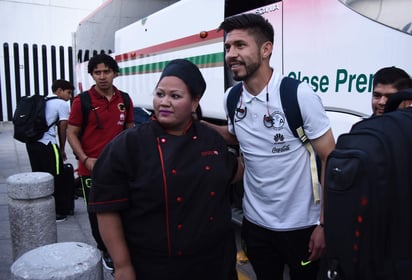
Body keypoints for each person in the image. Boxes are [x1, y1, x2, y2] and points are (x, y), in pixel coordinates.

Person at [203, 14, 336, 279]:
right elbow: (235, 136)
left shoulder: (297, 95)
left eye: (240, 45)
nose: (231, 54)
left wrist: (324, 224)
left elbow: (329, 158)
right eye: (228, 47)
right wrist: (198, 125)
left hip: (303, 226)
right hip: (255, 224)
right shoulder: (232, 98)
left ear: (266, 49)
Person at [88, 59, 244, 280]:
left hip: (215, 263)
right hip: (156, 267)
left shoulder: (211, 139)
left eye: (175, 96)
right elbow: (106, 209)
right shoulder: (129, 145)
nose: (164, 102)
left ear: (194, 102)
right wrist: (122, 265)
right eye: (160, 94)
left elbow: (233, 171)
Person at [67, 53, 134, 271]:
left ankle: (123, 248)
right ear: (92, 75)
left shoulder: (124, 99)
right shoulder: (82, 101)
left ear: (115, 73)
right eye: (97, 72)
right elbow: (72, 132)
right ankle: (105, 250)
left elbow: (129, 131)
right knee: (97, 213)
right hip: (91, 170)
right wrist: (85, 159)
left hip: (119, 169)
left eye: (106, 71)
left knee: (124, 208)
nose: (102, 76)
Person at [26, 79, 74, 222]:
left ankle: (39, 209)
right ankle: (59, 211)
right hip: (48, 144)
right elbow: (63, 126)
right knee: (57, 176)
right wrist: (62, 148)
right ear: (59, 91)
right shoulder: (62, 104)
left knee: (38, 176)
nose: (70, 97)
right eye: (68, 93)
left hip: (32, 144)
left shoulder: (41, 101)